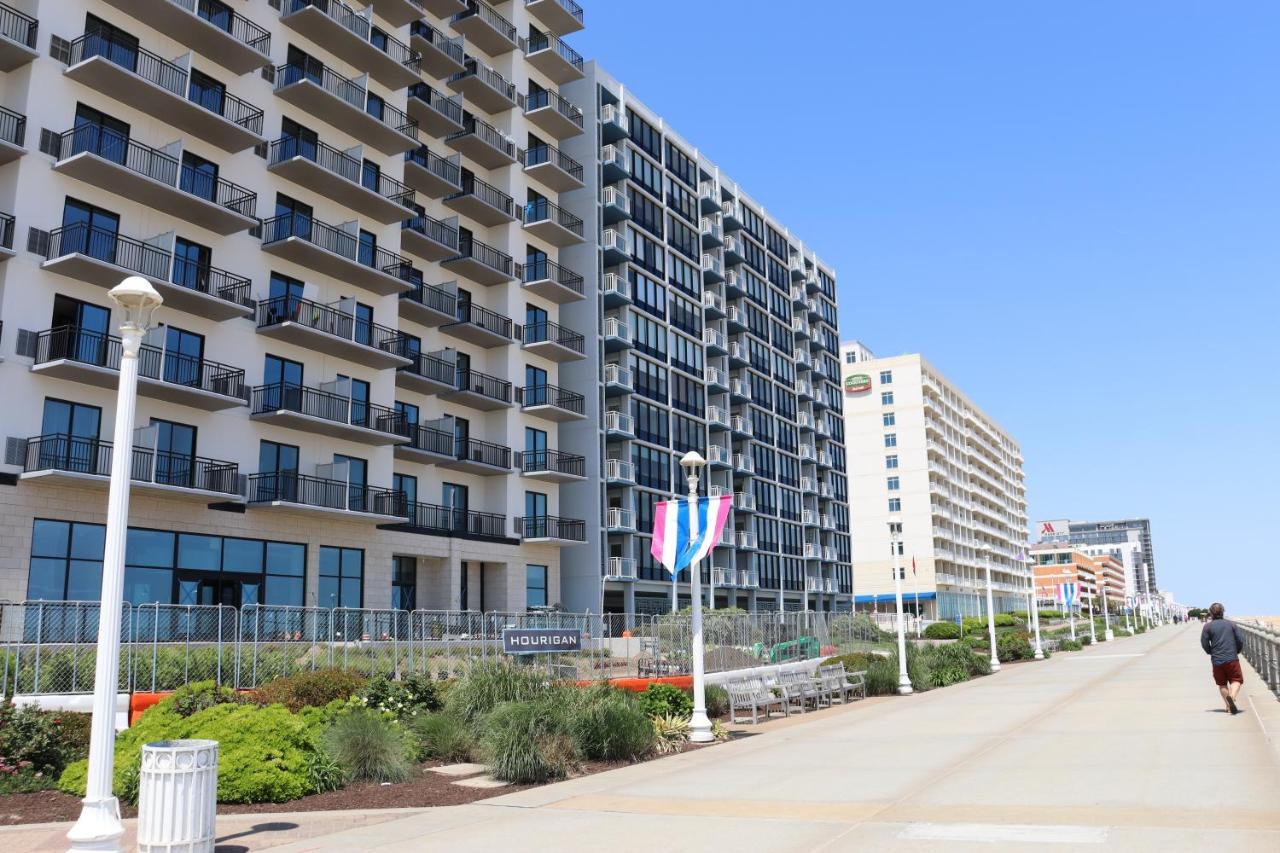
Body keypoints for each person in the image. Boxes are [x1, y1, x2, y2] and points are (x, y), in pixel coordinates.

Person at [1200, 602, 1246, 714]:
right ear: (1223, 612)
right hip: (1231, 658)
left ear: (1211, 613)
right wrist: (1237, 650)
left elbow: (1204, 642)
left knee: (1222, 684)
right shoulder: (1231, 624)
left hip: (1217, 660)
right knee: (1236, 680)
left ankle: (1228, 706)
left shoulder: (1207, 627)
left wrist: (1210, 651)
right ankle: (1232, 697)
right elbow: (1240, 640)